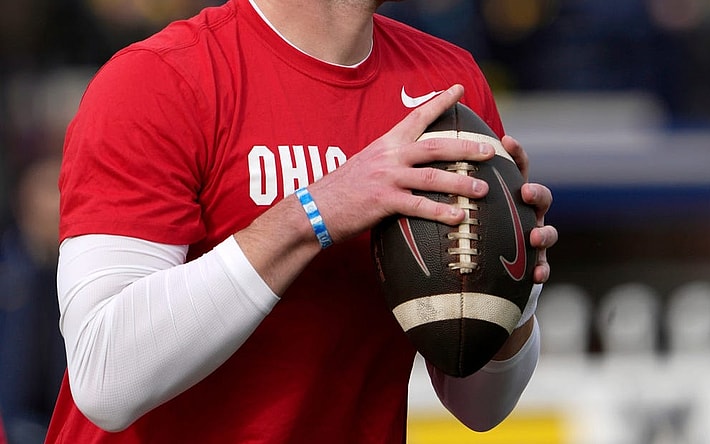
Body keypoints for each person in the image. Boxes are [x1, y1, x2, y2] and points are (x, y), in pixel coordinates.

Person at [46, 0, 558, 442]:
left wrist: (517, 285)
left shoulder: (447, 84)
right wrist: (317, 211)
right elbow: (104, 378)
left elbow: (480, 407)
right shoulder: (157, 80)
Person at [0, 155, 66, 444]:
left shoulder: (61, 274)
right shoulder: (13, 274)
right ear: (25, 200)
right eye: (52, 189)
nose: (61, 203)